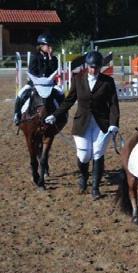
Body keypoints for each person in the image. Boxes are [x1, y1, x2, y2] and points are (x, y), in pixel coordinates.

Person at [44, 51, 120, 201]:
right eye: (91, 67)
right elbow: (69, 100)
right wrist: (55, 115)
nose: (94, 70)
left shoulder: (107, 81)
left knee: (98, 152)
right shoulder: (78, 79)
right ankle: (84, 177)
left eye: (97, 67)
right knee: (84, 155)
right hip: (82, 122)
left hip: (101, 123)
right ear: (87, 66)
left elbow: (113, 104)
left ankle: (95, 188)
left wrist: (114, 124)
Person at [13, 33, 59, 125]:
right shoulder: (35, 57)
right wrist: (40, 79)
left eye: (51, 45)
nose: (50, 47)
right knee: (21, 93)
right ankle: (17, 115)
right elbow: (32, 71)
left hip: (49, 84)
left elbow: (54, 71)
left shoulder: (54, 59)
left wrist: (50, 59)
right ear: (41, 46)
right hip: (35, 83)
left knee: (61, 93)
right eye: (48, 45)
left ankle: (61, 115)